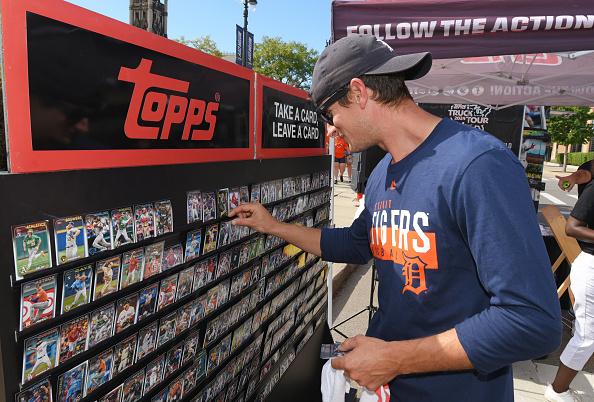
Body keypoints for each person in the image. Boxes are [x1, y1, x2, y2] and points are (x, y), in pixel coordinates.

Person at [229, 34, 561, 401]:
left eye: (328, 113)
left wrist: (394, 358)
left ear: (358, 92)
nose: (330, 129)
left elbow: (532, 321)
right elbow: (356, 244)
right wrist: (272, 226)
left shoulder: (478, 164)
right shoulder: (382, 172)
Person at [545, 164, 594, 401]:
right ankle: (557, 390)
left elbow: (585, 171)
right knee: (587, 336)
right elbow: (571, 227)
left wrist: (573, 178)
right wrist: (574, 178)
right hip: (591, 267)